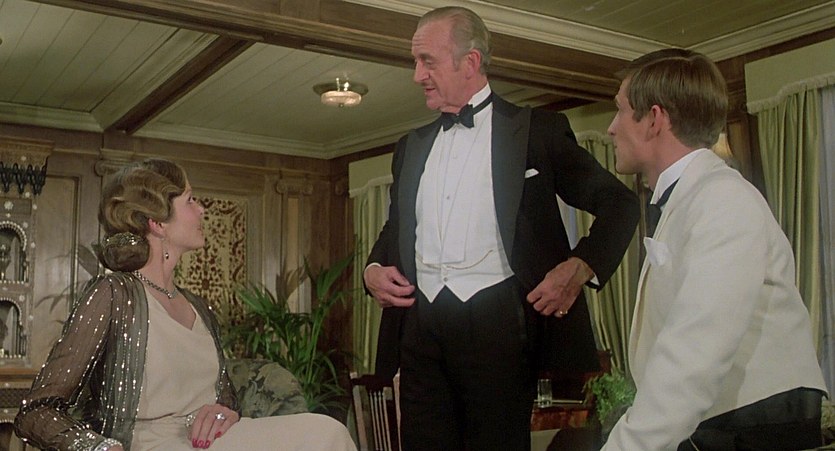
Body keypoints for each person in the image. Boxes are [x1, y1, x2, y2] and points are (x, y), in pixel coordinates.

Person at [363, 6, 640, 450]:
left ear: (470, 62)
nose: (417, 76)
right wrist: (372, 270)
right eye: (415, 62)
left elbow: (619, 204)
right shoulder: (410, 147)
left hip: (499, 328)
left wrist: (581, 266)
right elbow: (396, 228)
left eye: (427, 61)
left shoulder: (537, 132)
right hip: (419, 326)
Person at [14, 159, 357, 451]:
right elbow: (36, 411)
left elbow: (226, 400)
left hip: (212, 441)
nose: (201, 209)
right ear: (158, 222)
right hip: (153, 444)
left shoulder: (198, 306)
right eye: (190, 200)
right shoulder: (113, 294)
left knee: (327, 432)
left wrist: (224, 413)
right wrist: (98, 447)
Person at [602, 48, 828, 450]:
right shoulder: (696, 197)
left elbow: (697, 345)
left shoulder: (722, 198)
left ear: (654, 119)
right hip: (730, 422)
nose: (610, 128)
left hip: (755, 425)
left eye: (619, 110)